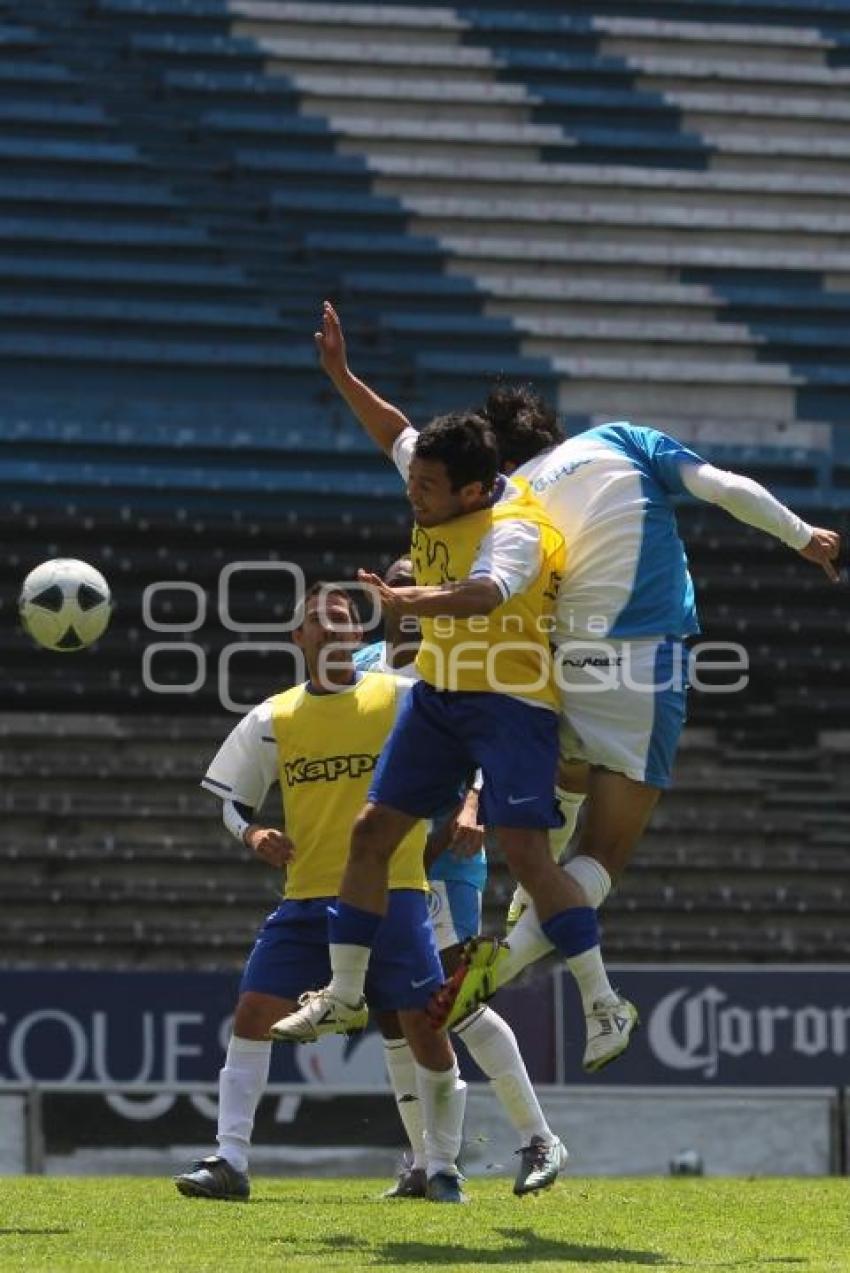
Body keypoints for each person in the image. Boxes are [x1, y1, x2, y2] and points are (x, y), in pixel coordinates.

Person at [311, 300, 842, 1035]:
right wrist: (803, 535)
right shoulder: (623, 441)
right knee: (603, 849)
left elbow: (397, 435)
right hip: (639, 665)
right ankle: (524, 953)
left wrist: (340, 372)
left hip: (552, 671)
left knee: (548, 806)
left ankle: (510, 932)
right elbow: (722, 487)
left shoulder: (507, 497)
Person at [272, 385, 636, 1074]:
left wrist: (409, 597)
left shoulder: (516, 527)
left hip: (512, 703)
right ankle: (345, 993)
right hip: (440, 697)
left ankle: (603, 1000)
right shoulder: (436, 473)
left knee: (530, 859)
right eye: (414, 483)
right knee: (371, 831)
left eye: (429, 489)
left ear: (473, 491)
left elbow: (486, 592)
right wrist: (342, 374)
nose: (415, 496)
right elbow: (395, 431)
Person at [174, 584, 467, 1204]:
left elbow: (475, 741)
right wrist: (252, 831)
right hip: (308, 898)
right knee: (254, 1012)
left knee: (424, 1031)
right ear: (299, 640)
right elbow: (231, 799)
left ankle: (439, 1166)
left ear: (358, 636)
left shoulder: (402, 697)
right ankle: (230, 1159)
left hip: (395, 895)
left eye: (341, 618)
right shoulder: (273, 717)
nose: (331, 626)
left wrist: (470, 803)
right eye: (316, 620)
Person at [354, 558, 568, 1196]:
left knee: (454, 1000)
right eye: (402, 578)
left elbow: (486, 737)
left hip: (446, 849)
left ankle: (539, 1137)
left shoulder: (466, 652)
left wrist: (474, 805)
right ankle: (424, 1161)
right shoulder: (365, 665)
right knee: (396, 1011)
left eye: (425, 580)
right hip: (387, 851)